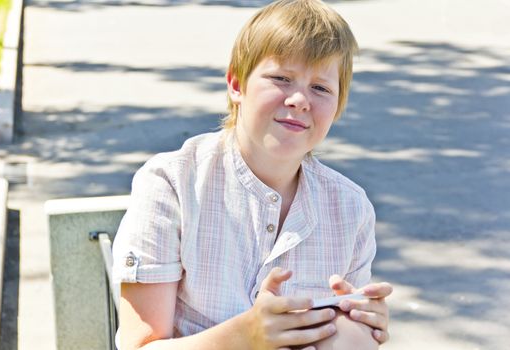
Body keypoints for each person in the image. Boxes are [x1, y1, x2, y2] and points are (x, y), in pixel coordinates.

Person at [112, 0, 393, 349]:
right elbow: (140, 346)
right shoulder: (173, 184)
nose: (299, 100)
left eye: (321, 88)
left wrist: (361, 326)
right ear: (236, 83)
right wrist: (246, 336)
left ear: (338, 105)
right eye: (281, 78)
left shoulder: (350, 209)